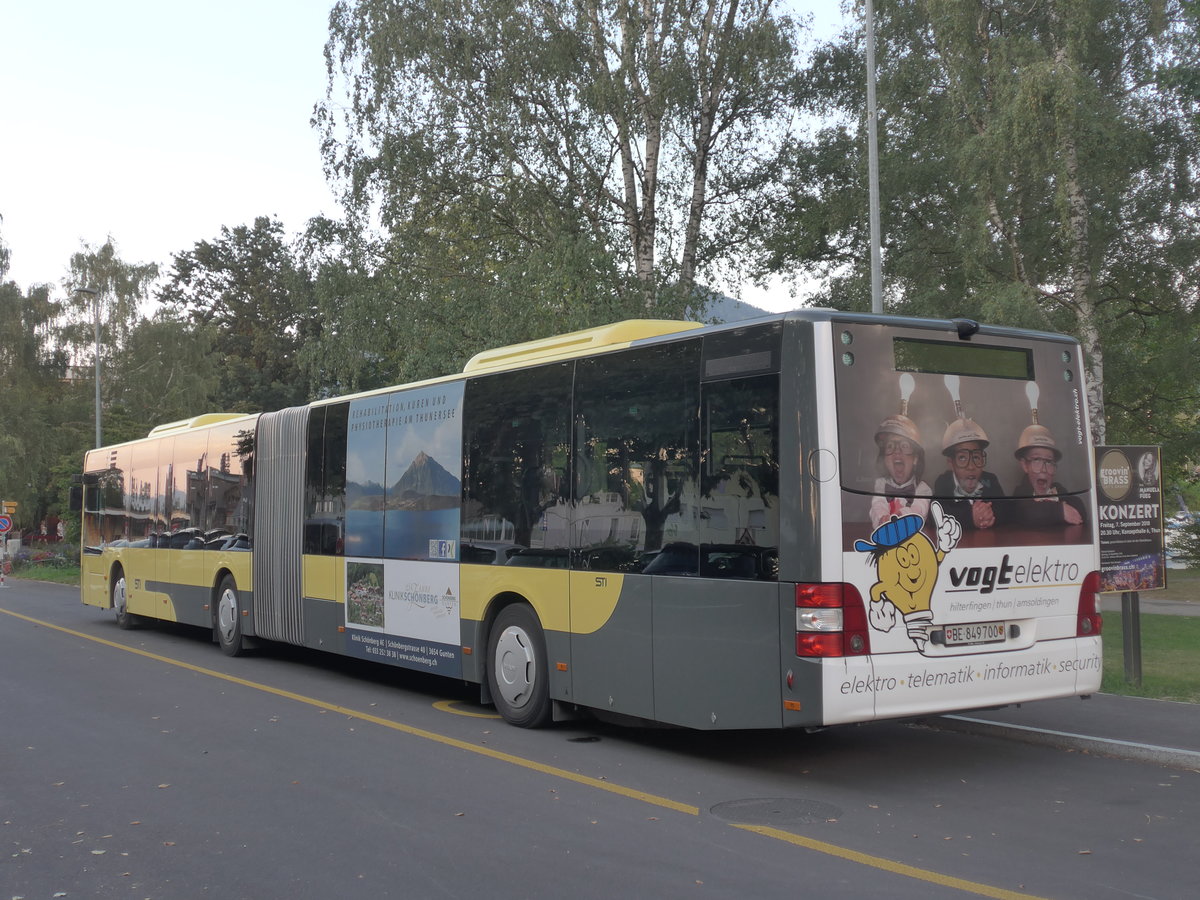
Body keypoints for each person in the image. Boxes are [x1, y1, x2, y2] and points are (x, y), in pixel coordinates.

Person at [932, 418, 1005, 529]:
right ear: (951, 463)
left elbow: (1006, 510)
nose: (971, 466)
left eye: (976, 457)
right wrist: (970, 517)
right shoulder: (943, 483)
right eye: (962, 458)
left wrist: (988, 515)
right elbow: (936, 516)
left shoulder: (990, 480)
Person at [1011, 425, 1086, 528]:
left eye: (1049, 462)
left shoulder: (1057, 489)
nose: (1044, 469)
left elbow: (1079, 508)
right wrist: (1060, 511)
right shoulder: (1020, 492)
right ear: (1024, 465)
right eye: (1036, 460)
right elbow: (1025, 513)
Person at [868, 413, 931, 528]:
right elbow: (877, 506)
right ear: (885, 459)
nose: (897, 452)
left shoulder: (923, 489)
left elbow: (919, 510)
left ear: (915, 458)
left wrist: (901, 517)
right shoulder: (881, 484)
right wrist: (882, 519)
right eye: (890, 446)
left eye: (904, 446)